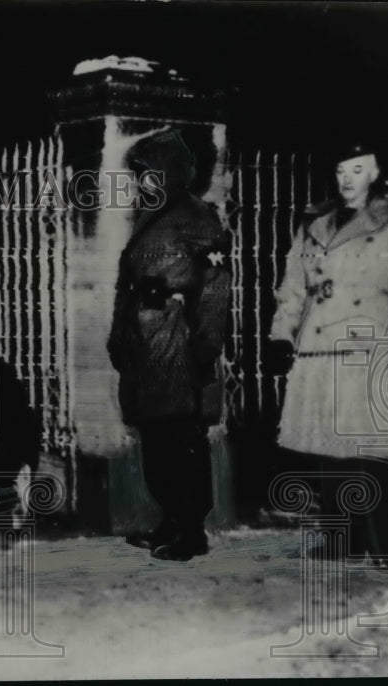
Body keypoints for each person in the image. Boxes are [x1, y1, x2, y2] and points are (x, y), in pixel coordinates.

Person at [266, 142, 388, 568]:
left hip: (372, 347)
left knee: (378, 451)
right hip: (320, 347)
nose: (346, 179)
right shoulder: (315, 223)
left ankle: (384, 545)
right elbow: (293, 285)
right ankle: (341, 540)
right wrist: (282, 335)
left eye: (356, 169)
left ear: (373, 173)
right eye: (340, 170)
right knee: (330, 448)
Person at [107, 129, 231, 561]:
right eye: (139, 176)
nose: (142, 184)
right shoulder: (150, 217)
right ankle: (169, 520)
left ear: (170, 173)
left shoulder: (198, 219)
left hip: (179, 347)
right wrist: (119, 338)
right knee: (157, 440)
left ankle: (191, 530)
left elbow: (215, 292)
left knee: (183, 441)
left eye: (149, 174)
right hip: (147, 348)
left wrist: (203, 350)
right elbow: (130, 287)